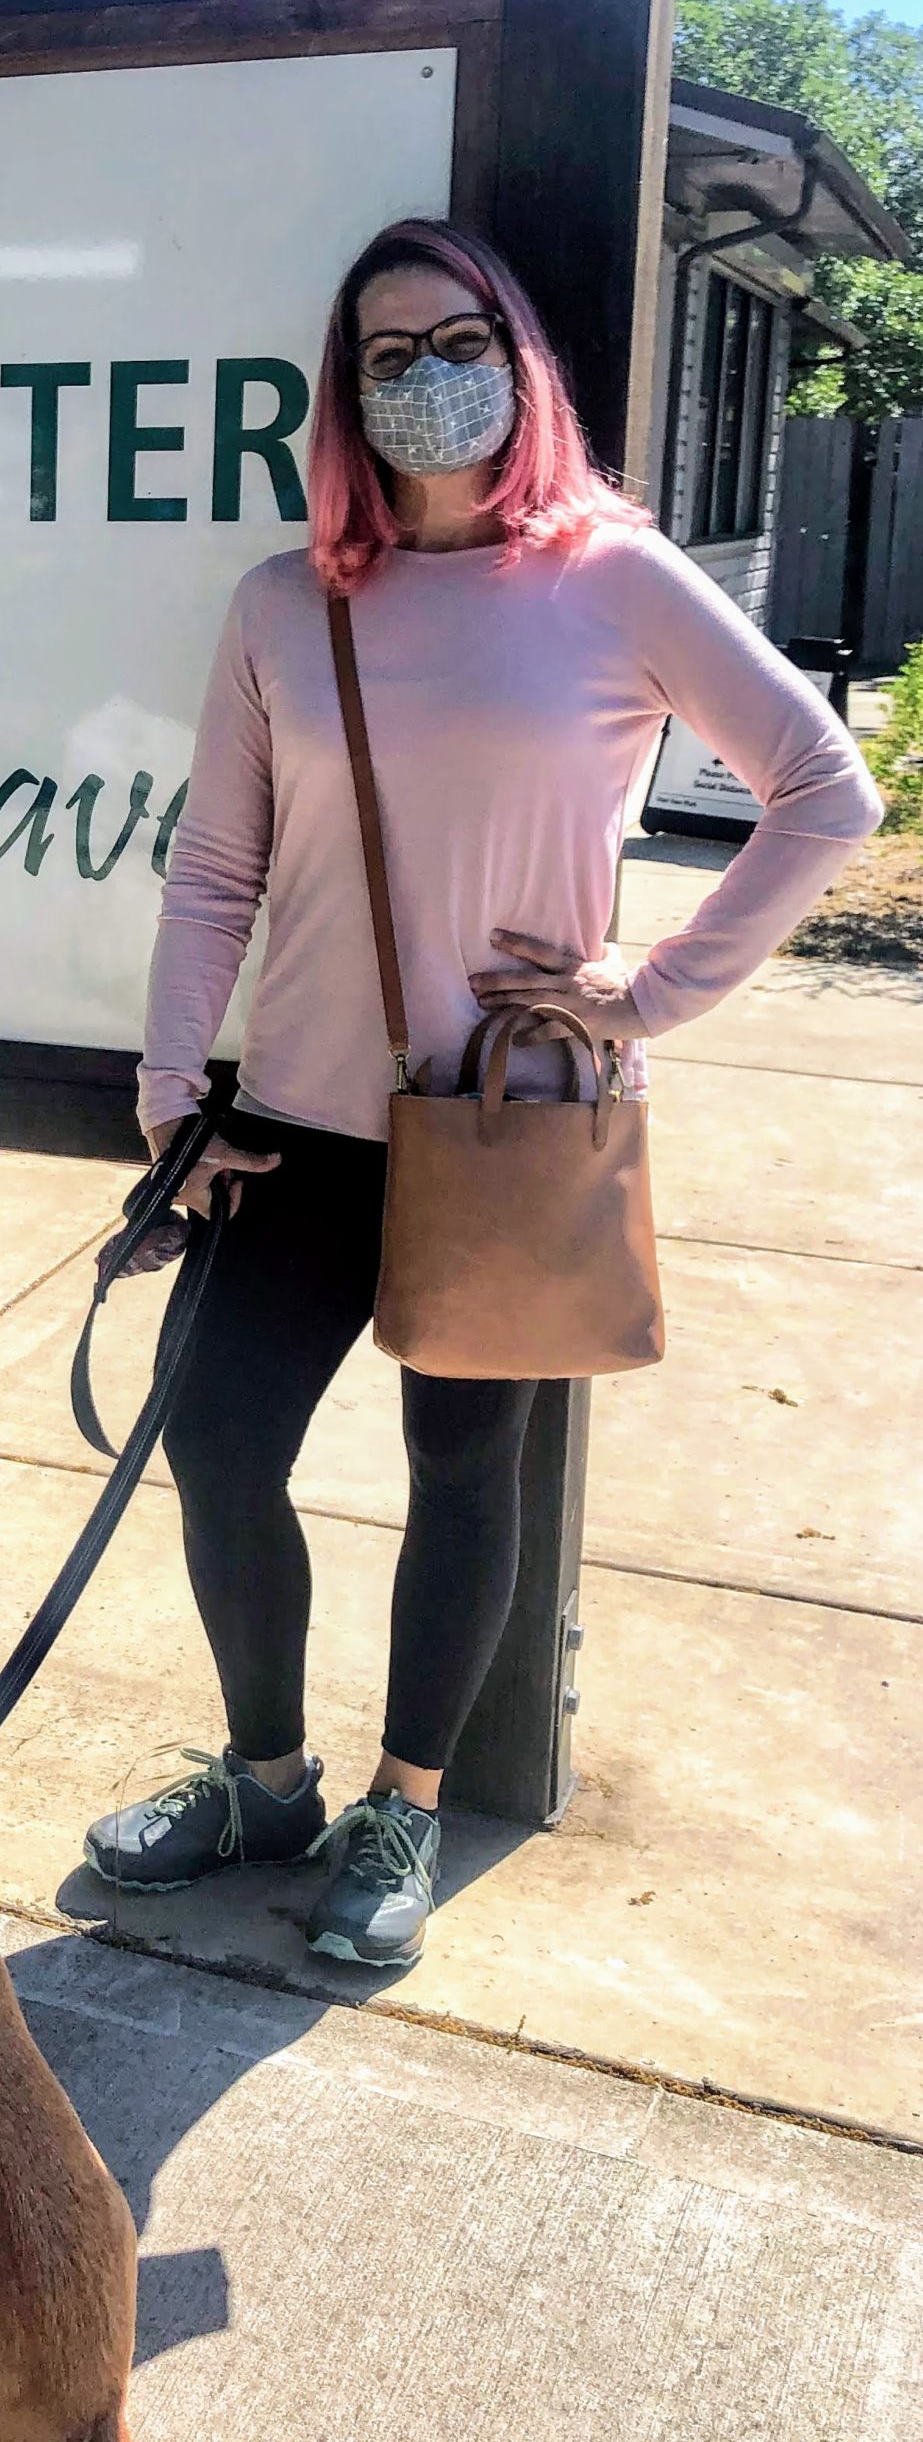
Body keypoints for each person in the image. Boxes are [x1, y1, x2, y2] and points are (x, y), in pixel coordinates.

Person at [83, 218, 881, 1970]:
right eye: (386, 354)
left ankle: (405, 1804)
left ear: (520, 357)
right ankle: (266, 1774)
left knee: (463, 1474)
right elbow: (216, 866)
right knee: (215, 1443)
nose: (427, 378)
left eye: (461, 340)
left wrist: (647, 993)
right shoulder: (284, 604)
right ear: (345, 394)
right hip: (289, 1126)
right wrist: (170, 1090)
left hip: (505, 1132)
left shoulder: (612, 578)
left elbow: (827, 790)